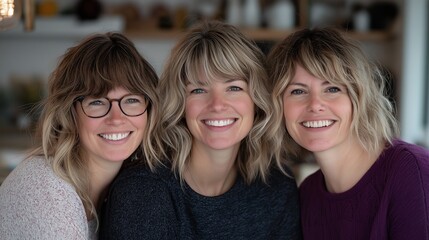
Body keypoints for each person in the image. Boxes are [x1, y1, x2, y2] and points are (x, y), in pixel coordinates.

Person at [99, 20, 302, 239]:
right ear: (180, 103)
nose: (217, 104)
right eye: (198, 90)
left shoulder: (277, 188)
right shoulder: (142, 191)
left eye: (234, 87)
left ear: (257, 100)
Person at [267, 27, 429, 240]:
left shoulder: (411, 171)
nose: (315, 104)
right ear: (278, 106)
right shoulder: (307, 195)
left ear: (358, 97)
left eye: (332, 88)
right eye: (298, 91)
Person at [0, 32, 159, 239]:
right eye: (97, 102)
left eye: (131, 100)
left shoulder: (123, 190)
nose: (116, 118)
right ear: (70, 112)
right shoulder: (45, 192)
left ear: (149, 109)